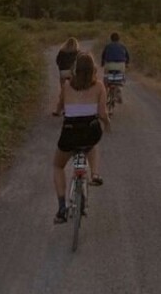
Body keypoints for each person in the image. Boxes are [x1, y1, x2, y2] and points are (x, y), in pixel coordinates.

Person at [53, 52, 111, 224]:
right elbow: (102, 113)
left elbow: (60, 105)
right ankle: (95, 174)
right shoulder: (99, 86)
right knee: (91, 144)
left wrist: (56, 112)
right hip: (90, 131)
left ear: (75, 69)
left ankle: (62, 208)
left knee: (57, 166)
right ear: (93, 69)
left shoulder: (67, 86)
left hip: (70, 133)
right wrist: (107, 123)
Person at [52, 37, 80, 116]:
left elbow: (57, 61)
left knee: (63, 90)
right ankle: (71, 107)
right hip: (72, 73)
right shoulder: (77, 52)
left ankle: (61, 109)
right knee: (72, 90)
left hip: (63, 72)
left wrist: (61, 67)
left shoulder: (62, 51)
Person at [101, 32, 130, 102]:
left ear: (111, 39)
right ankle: (119, 89)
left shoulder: (107, 46)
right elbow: (127, 56)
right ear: (119, 39)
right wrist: (127, 64)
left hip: (109, 64)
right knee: (122, 77)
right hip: (120, 65)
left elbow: (103, 56)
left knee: (106, 78)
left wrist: (102, 63)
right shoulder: (123, 46)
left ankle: (105, 93)